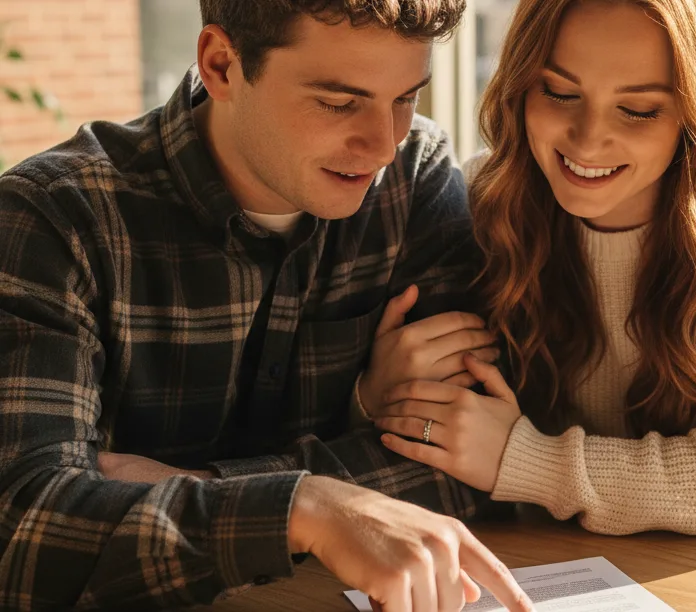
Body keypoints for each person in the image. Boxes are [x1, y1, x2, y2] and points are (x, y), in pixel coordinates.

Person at [0, 1, 534, 611]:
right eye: (339, 102)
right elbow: (26, 530)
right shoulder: (53, 219)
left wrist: (219, 492)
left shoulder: (414, 179)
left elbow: (465, 467)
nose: (384, 144)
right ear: (222, 65)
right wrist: (307, 506)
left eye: (406, 98)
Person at [372, 0, 696, 536]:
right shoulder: (482, 198)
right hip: (564, 570)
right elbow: (436, 442)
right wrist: (375, 398)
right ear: (519, 85)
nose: (587, 139)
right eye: (560, 93)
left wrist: (530, 463)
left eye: (638, 110)